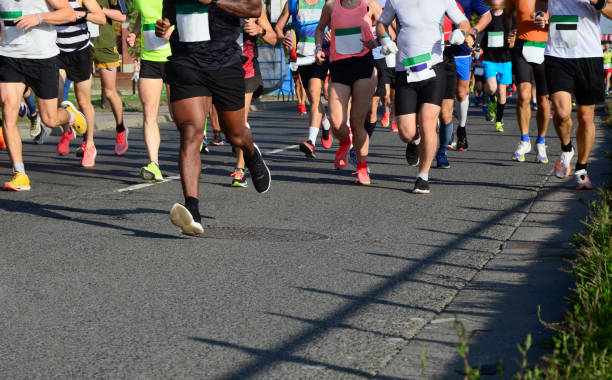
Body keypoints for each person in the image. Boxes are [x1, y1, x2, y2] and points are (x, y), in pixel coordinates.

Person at [156, 0, 271, 235]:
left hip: (225, 65)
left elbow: (254, 9)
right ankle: (192, 211)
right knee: (191, 132)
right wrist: (164, 26)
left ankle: (250, 152)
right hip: (186, 63)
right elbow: (169, 17)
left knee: (235, 134)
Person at [377, 0, 474, 193]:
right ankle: (415, 140)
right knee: (406, 132)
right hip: (405, 69)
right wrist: (385, 39)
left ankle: (423, 176)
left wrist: (461, 33)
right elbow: (381, 23)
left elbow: (464, 22)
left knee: (428, 121)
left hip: (434, 68)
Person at [0, 0, 87, 191]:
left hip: (42, 58)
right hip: (9, 56)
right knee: (8, 112)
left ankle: (70, 114)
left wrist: (39, 17)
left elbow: (69, 13)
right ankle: (20, 174)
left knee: (50, 119)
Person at [536, 0, 612, 190]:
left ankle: (581, 169)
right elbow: (541, 2)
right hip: (558, 53)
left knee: (586, 117)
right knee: (562, 113)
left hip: (589, 55)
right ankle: (567, 148)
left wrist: (599, 2)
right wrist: (540, 13)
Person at [315, 0, 382, 184]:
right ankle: (345, 141)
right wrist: (318, 49)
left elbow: (387, 31)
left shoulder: (369, 4)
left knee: (356, 121)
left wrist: (375, 41)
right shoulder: (330, 6)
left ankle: (362, 167)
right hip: (339, 67)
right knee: (337, 123)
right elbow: (320, 29)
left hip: (364, 66)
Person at [275, 0, 332, 158]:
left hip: (321, 53)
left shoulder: (328, 2)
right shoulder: (292, 3)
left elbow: (340, 22)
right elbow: (278, 27)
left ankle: (311, 142)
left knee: (314, 93)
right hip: (301, 55)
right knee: (312, 98)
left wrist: (332, 31)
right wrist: (282, 38)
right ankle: (325, 124)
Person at [127, 0, 174, 182]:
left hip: (174, 56)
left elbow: (186, 11)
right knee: (149, 111)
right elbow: (143, 15)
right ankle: (154, 164)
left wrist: (173, 30)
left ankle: (193, 145)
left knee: (177, 113)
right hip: (149, 58)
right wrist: (134, 32)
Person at [56, 0, 105, 167]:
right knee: (56, 98)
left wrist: (83, 14)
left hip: (81, 53)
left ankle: (89, 144)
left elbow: (101, 18)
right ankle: (68, 131)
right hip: (58, 52)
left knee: (83, 101)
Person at [231, 9, 276, 188]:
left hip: (247, 69)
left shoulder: (253, 6)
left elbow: (273, 38)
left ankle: (240, 169)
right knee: (227, 124)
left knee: (240, 121)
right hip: (220, 68)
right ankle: (248, 150)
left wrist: (260, 30)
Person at [505, 0, 551, 163]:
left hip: (546, 48)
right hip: (521, 46)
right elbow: (507, 14)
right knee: (523, 95)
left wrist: (548, 20)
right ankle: (524, 140)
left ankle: (541, 142)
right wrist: (509, 34)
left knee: (543, 100)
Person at [449, 0, 491, 151]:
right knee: (441, 93)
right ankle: (446, 131)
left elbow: (487, 16)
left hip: (462, 50)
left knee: (461, 93)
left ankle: (461, 129)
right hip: (438, 48)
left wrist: (473, 32)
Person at [92, 0, 127, 155]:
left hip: (104, 45)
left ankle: (120, 128)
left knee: (109, 92)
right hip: (82, 43)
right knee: (82, 96)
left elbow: (121, 16)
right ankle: (88, 143)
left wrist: (98, 9)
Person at [481, 0, 512, 133]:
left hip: (505, 60)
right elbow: (481, 34)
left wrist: (512, 40)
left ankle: (498, 121)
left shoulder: (509, 16)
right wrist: (479, 48)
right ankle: (491, 101)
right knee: (492, 89)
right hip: (490, 59)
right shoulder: (487, 16)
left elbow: (514, 33)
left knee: (502, 92)